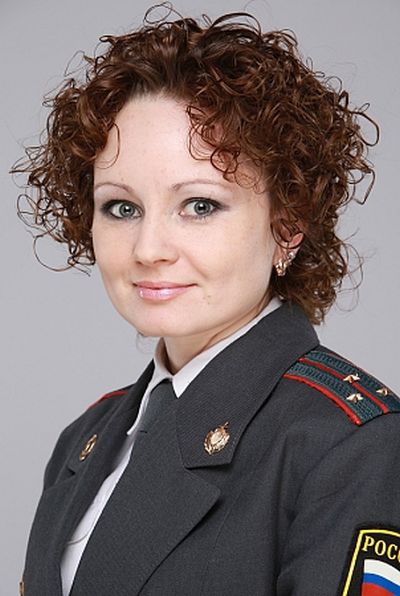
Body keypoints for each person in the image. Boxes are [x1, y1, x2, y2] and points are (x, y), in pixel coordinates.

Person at [13, 7, 400, 596]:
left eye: (199, 205)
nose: (148, 248)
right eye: (122, 207)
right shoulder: (84, 440)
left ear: (288, 223)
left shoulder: (349, 446)